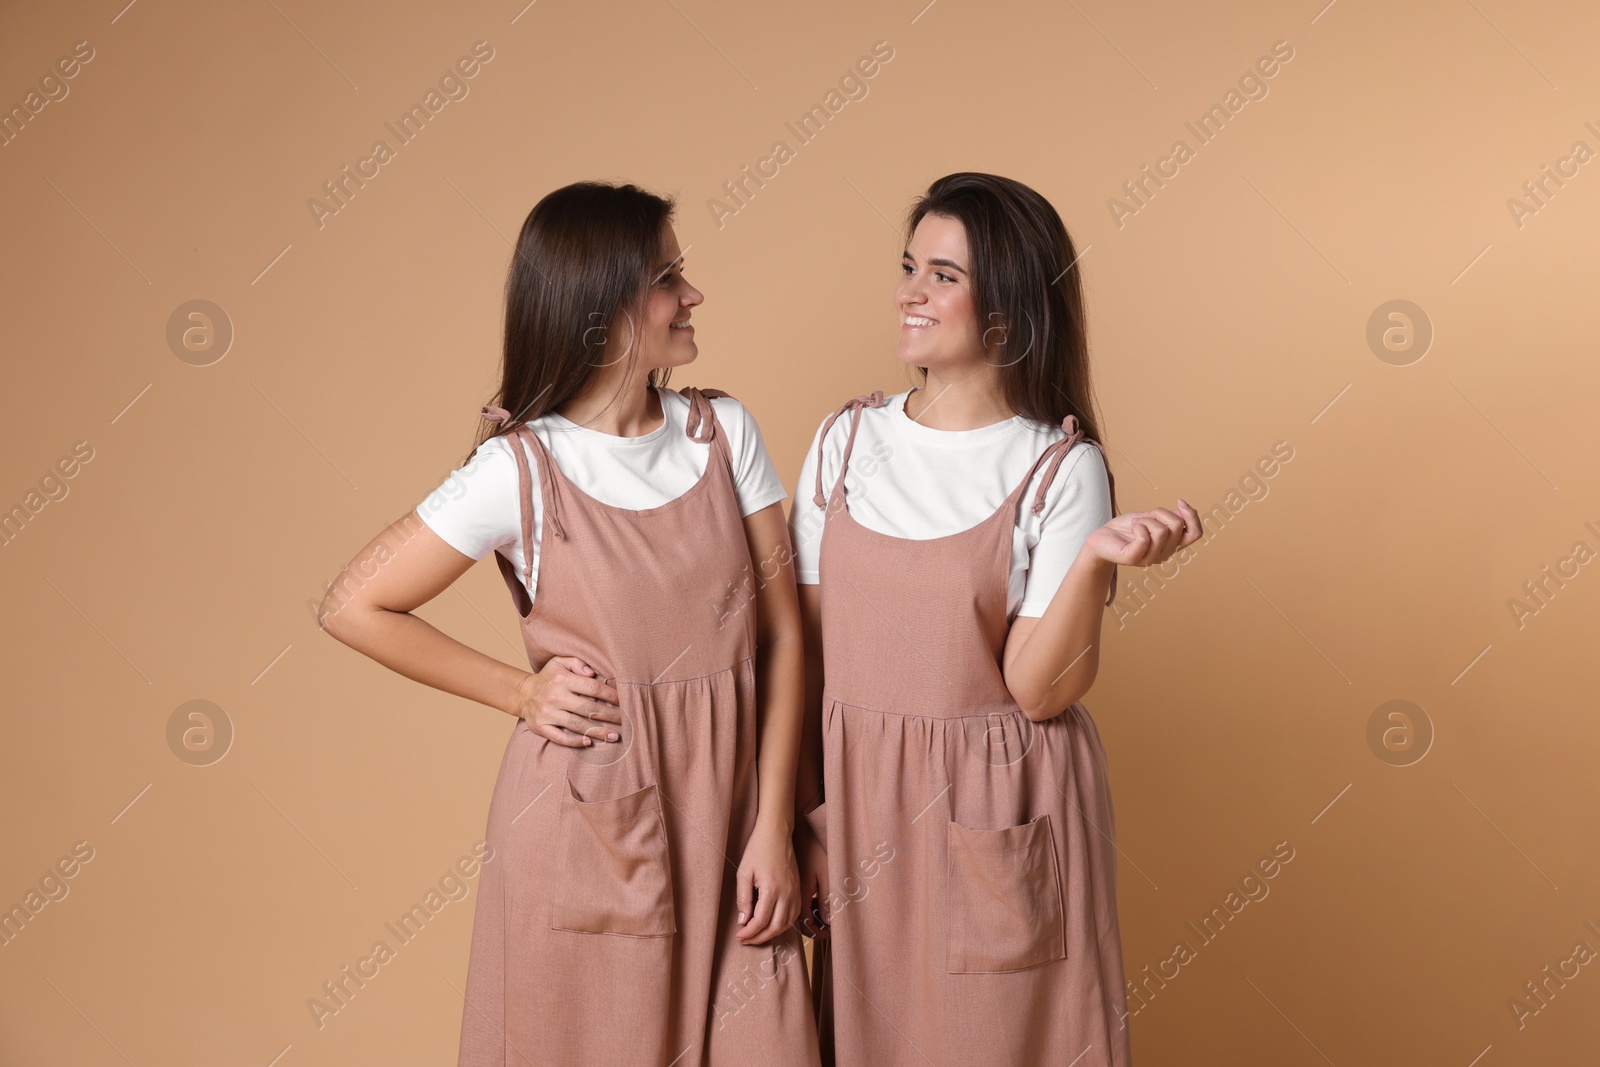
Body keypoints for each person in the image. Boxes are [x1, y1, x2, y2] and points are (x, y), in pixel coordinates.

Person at [319, 181, 821, 1066]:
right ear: (604, 309)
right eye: (668, 276)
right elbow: (353, 604)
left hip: (737, 814)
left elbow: (784, 638)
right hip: (592, 827)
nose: (693, 294)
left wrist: (775, 826)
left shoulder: (724, 432)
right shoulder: (519, 468)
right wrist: (520, 690)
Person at [788, 172, 1202, 1066]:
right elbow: (805, 652)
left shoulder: (1061, 468)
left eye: (943, 275)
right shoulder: (844, 442)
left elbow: (1037, 690)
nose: (910, 293)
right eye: (910, 267)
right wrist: (803, 821)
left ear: (1010, 308)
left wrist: (1093, 564)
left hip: (996, 811)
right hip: (860, 814)